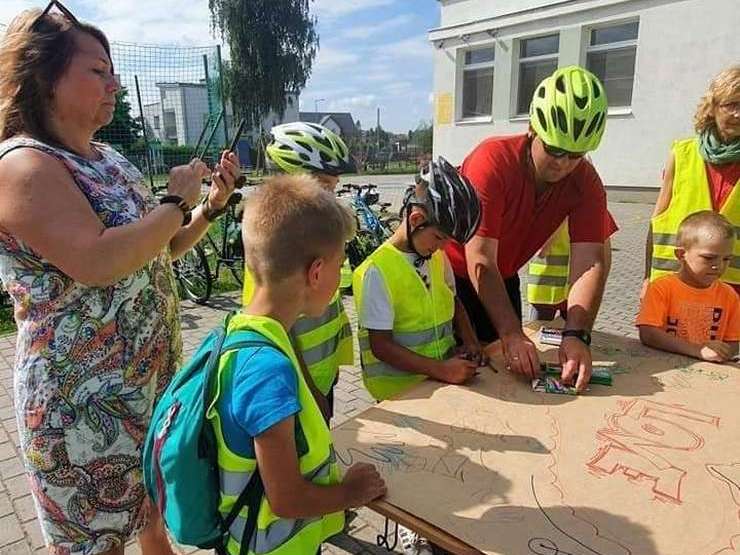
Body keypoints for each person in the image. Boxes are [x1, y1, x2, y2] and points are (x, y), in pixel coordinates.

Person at [0, 4, 240, 555]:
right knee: (97, 543)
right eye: (97, 71)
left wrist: (208, 205)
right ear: (44, 78)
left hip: (147, 389)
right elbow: (99, 259)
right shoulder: (22, 166)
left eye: (112, 71)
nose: (113, 84)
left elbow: (164, 246)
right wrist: (176, 198)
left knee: (152, 517)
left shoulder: (108, 159)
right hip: (81, 408)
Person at [211, 175, 386, 554]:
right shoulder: (267, 371)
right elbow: (286, 499)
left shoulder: (243, 328)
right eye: (340, 266)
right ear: (317, 272)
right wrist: (349, 493)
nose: (340, 278)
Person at [445, 65, 613, 392]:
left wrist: (576, 335)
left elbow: (590, 262)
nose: (562, 164)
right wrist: (511, 334)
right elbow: (478, 258)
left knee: (508, 375)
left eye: (575, 155)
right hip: (452, 279)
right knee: (462, 377)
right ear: (533, 129)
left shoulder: (587, 183)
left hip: (501, 274)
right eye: (554, 149)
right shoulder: (491, 160)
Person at [243, 121, 357, 422]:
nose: (331, 198)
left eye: (334, 188)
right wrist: (310, 392)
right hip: (297, 389)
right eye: (324, 187)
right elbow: (277, 330)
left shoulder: (314, 238)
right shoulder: (276, 250)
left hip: (322, 375)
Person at [353, 156, 483, 403]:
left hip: (437, 385)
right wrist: (441, 369)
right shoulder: (376, 271)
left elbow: (454, 302)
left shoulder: (435, 257)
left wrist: (470, 340)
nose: (444, 246)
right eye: (439, 237)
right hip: (400, 395)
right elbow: (381, 346)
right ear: (416, 220)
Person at [646, 66, 740, 295]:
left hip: (734, 292)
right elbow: (657, 220)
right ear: (713, 108)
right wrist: (646, 279)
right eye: (731, 105)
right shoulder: (682, 153)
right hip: (677, 285)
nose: (738, 114)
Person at [637, 211, 739, 361]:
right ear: (680, 254)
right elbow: (648, 333)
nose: (718, 266)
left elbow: (734, 340)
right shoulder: (662, 288)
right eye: (709, 258)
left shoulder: (729, 295)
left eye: (726, 259)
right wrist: (697, 350)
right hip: (662, 365)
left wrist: (724, 352)